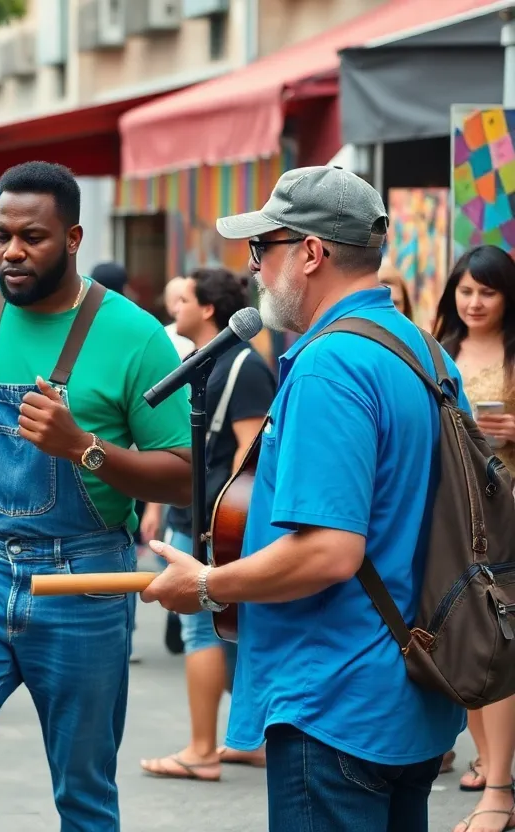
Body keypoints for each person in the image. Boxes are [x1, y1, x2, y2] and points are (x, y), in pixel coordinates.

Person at [142, 166, 467, 832]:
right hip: (412, 685)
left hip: (336, 695)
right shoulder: (425, 351)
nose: (255, 268)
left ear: (311, 252)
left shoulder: (330, 362)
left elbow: (329, 551)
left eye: (263, 247)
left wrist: (206, 585)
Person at [0, 161, 192, 829]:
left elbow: (182, 473)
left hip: (87, 580)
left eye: (33, 237)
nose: (12, 252)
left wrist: (83, 447)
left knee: (83, 795)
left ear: (74, 238)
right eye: (2, 236)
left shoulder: (137, 336)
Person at [140, 268, 274, 781]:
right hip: (190, 513)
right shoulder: (202, 362)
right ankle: (251, 739)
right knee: (218, 631)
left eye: (185, 300)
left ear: (209, 309)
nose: (175, 307)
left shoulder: (244, 366)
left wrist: (227, 523)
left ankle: (201, 750)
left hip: (216, 522)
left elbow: (249, 452)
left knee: (201, 629)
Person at [432, 245, 515, 827]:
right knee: (471, 636)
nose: (475, 302)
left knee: (500, 637)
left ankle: (500, 787)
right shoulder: (439, 349)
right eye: (465, 291)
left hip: (510, 511)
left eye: (487, 291)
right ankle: (490, 763)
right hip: (459, 511)